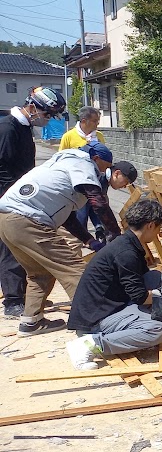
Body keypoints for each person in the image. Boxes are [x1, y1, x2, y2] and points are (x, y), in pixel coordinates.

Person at [0, 141, 121, 336]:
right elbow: (97, 202)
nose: (103, 172)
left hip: (7, 220)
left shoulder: (61, 164)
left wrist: (89, 240)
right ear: (96, 159)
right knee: (75, 269)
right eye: (105, 167)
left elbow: (68, 217)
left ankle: (31, 322)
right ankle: (93, 324)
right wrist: (116, 234)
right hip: (27, 220)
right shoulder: (83, 164)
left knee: (39, 272)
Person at [66, 198, 162, 370]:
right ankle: (91, 344)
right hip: (96, 319)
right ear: (151, 225)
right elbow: (140, 297)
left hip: (106, 306)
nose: (159, 233)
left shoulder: (127, 243)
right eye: (159, 228)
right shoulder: (126, 253)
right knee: (158, 330)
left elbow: (142, 281)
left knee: (154, 277)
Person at [0, 86, 66, 318]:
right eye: (47, 114)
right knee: (11, 249)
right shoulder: (9, 128)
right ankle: (13, 301)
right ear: (32, 107)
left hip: (21, 196)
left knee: (23, 249)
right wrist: (15, 197)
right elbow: (3, 169)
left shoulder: (24, 128)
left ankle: (25, 296)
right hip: (9, 199)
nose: (47, 119)